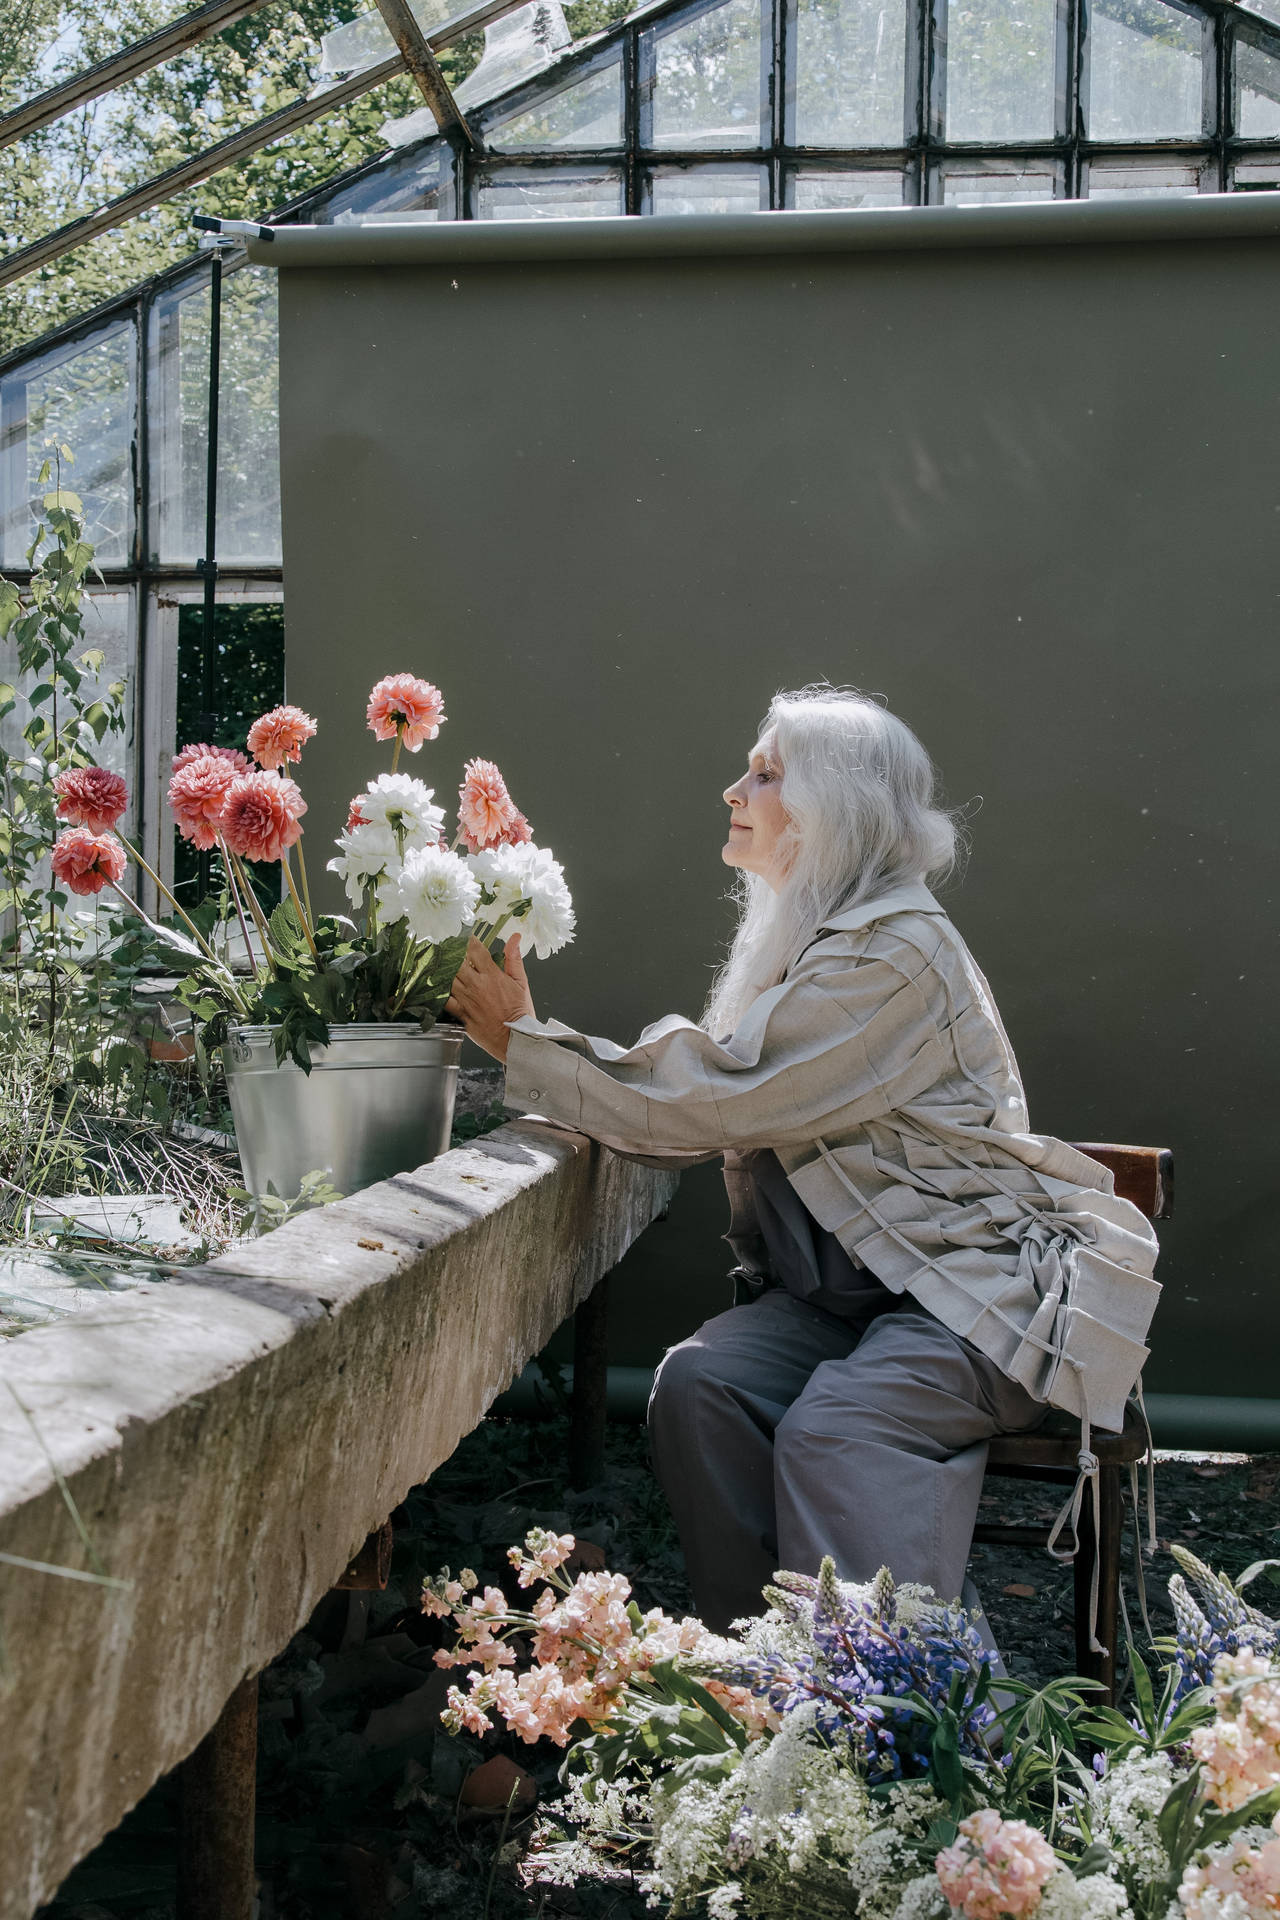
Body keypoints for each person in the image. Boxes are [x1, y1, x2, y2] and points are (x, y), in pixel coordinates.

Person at [445, 687, 1160, 1639]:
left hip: (969, 1299)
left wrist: (523, 1045)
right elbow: (721, 1085)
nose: (734, 789)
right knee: (701, 1390)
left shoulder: (894, 957)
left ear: (838, 806)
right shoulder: (816, 939)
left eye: (767, 773)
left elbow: (716, 1095)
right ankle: (771, 1686)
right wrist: (536, 1048)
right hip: (857, 1303)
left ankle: (900, 1729)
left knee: (841, 1430)